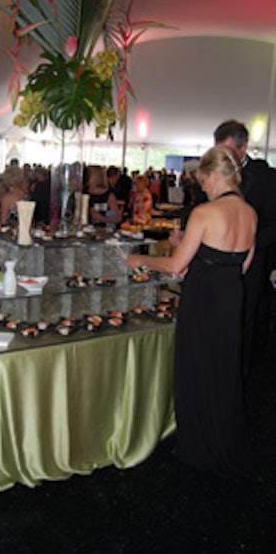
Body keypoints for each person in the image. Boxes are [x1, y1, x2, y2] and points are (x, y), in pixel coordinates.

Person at [127, 145, 257, 476]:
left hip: (203, 302)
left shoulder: (205, 212)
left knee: (195, 368)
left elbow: (175, 266)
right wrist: (188, 246)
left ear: (214, 175)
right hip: (231, 298)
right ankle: (223, 439)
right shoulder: (250, 213)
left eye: (203, 181)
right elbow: (240, 264)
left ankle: (199, 446)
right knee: (223, 369)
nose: (202, 187)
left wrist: (142, 258)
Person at [214, 119, 276, 375]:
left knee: (244, 323)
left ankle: (238, 376)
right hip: (215, 263)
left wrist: (247, 244)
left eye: (229, 151)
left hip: (251, 265)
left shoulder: (265, 177)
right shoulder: (214, 169)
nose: (224, 157)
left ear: (244, 147)